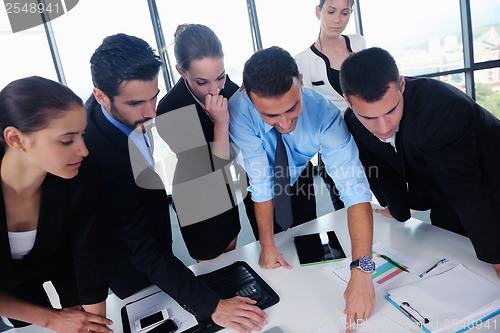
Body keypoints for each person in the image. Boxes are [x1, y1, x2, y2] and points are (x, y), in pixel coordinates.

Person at [85, 33, 267, 333]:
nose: (151, 112)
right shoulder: (101, 157)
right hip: (127, 260)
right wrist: (213, 307)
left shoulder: (120, 111)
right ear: (101, 96)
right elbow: (144, 251)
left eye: (153, 96)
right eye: (136, 102)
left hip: (155, 226)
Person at [228, 46, 375, 330]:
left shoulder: (322, 112)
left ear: (301, 81)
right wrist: (267, 245)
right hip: (259, 178)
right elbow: (261, 183)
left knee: (305, 240)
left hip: (297, 171)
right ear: (250, 98)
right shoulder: (239, 111)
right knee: (271, 254)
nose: (286, 123)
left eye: (293, 108)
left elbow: (353, 185)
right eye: (271, 116)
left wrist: (362, 270)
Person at [340, 47, 500, 278]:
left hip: (491, 181)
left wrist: (496, 257)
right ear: (349, 101)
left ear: (402, 85)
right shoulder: (353, 122)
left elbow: (466, 192)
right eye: (369, 117)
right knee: (452, 261)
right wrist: (398, 210)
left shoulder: (444, 108)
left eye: (391, 111)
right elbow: (384, 168)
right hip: (445, 195)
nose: (383, 127)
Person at [0, 76, 111, 332]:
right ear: (16, 139)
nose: (83, 150)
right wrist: (51, 319)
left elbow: (87, 254)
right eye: (66, 140)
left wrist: (96, 325)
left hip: (60, 261)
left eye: (82, 135)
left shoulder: (79, 174)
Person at [156, 23, 255, 261]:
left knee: (232, 249)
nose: (215, 89)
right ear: (181, 72)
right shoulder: (169, 110)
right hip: (197, 195)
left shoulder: (225, 85)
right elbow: (213, 167)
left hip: (227, 187)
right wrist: (221, 123)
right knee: (212, 264)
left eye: (219, 77)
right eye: (202, 82)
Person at [295, 0, 365, 211]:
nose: (337, 20)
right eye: (331, 11)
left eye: (344, 13)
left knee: (379, 200)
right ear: (318, 11)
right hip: (334, 144)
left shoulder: (359, 43)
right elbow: (306, 111)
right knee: (345, 207)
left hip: (368, 137)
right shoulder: (302, 61)